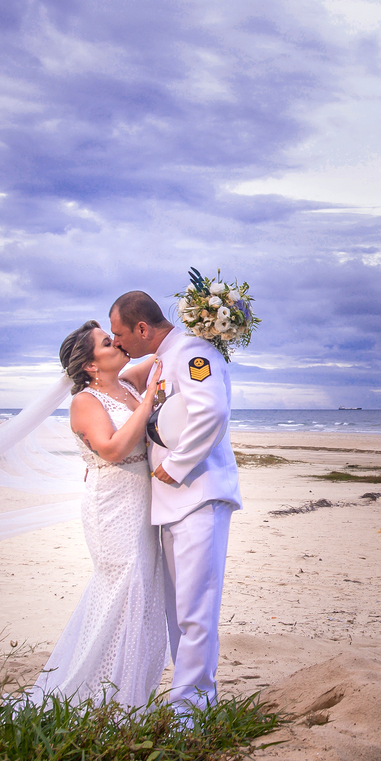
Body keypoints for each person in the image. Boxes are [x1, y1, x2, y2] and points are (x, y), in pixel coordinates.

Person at [108, 290, 242, 712]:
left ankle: (194, 707)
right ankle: (187, 700)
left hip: (199, 495)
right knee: (178, 613)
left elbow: (212, 412)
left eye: (120, 334)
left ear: (142, 328)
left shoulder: (192, 352)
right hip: (172, 503)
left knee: (195, 611)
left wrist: (179, 464)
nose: (117, 344)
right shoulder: (166, 358)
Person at [28, 320, 169, 707]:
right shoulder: (84, 402)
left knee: (141, 593)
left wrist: (205, 321)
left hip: (141, 504)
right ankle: (100, 696)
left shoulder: (126, 384)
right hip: (111, 506)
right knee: (123, 591)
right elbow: (111, 450)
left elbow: (163, 352)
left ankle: (130, 692)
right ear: (91, 365)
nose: (118, 344)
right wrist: (147, 403)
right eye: (108, 342)